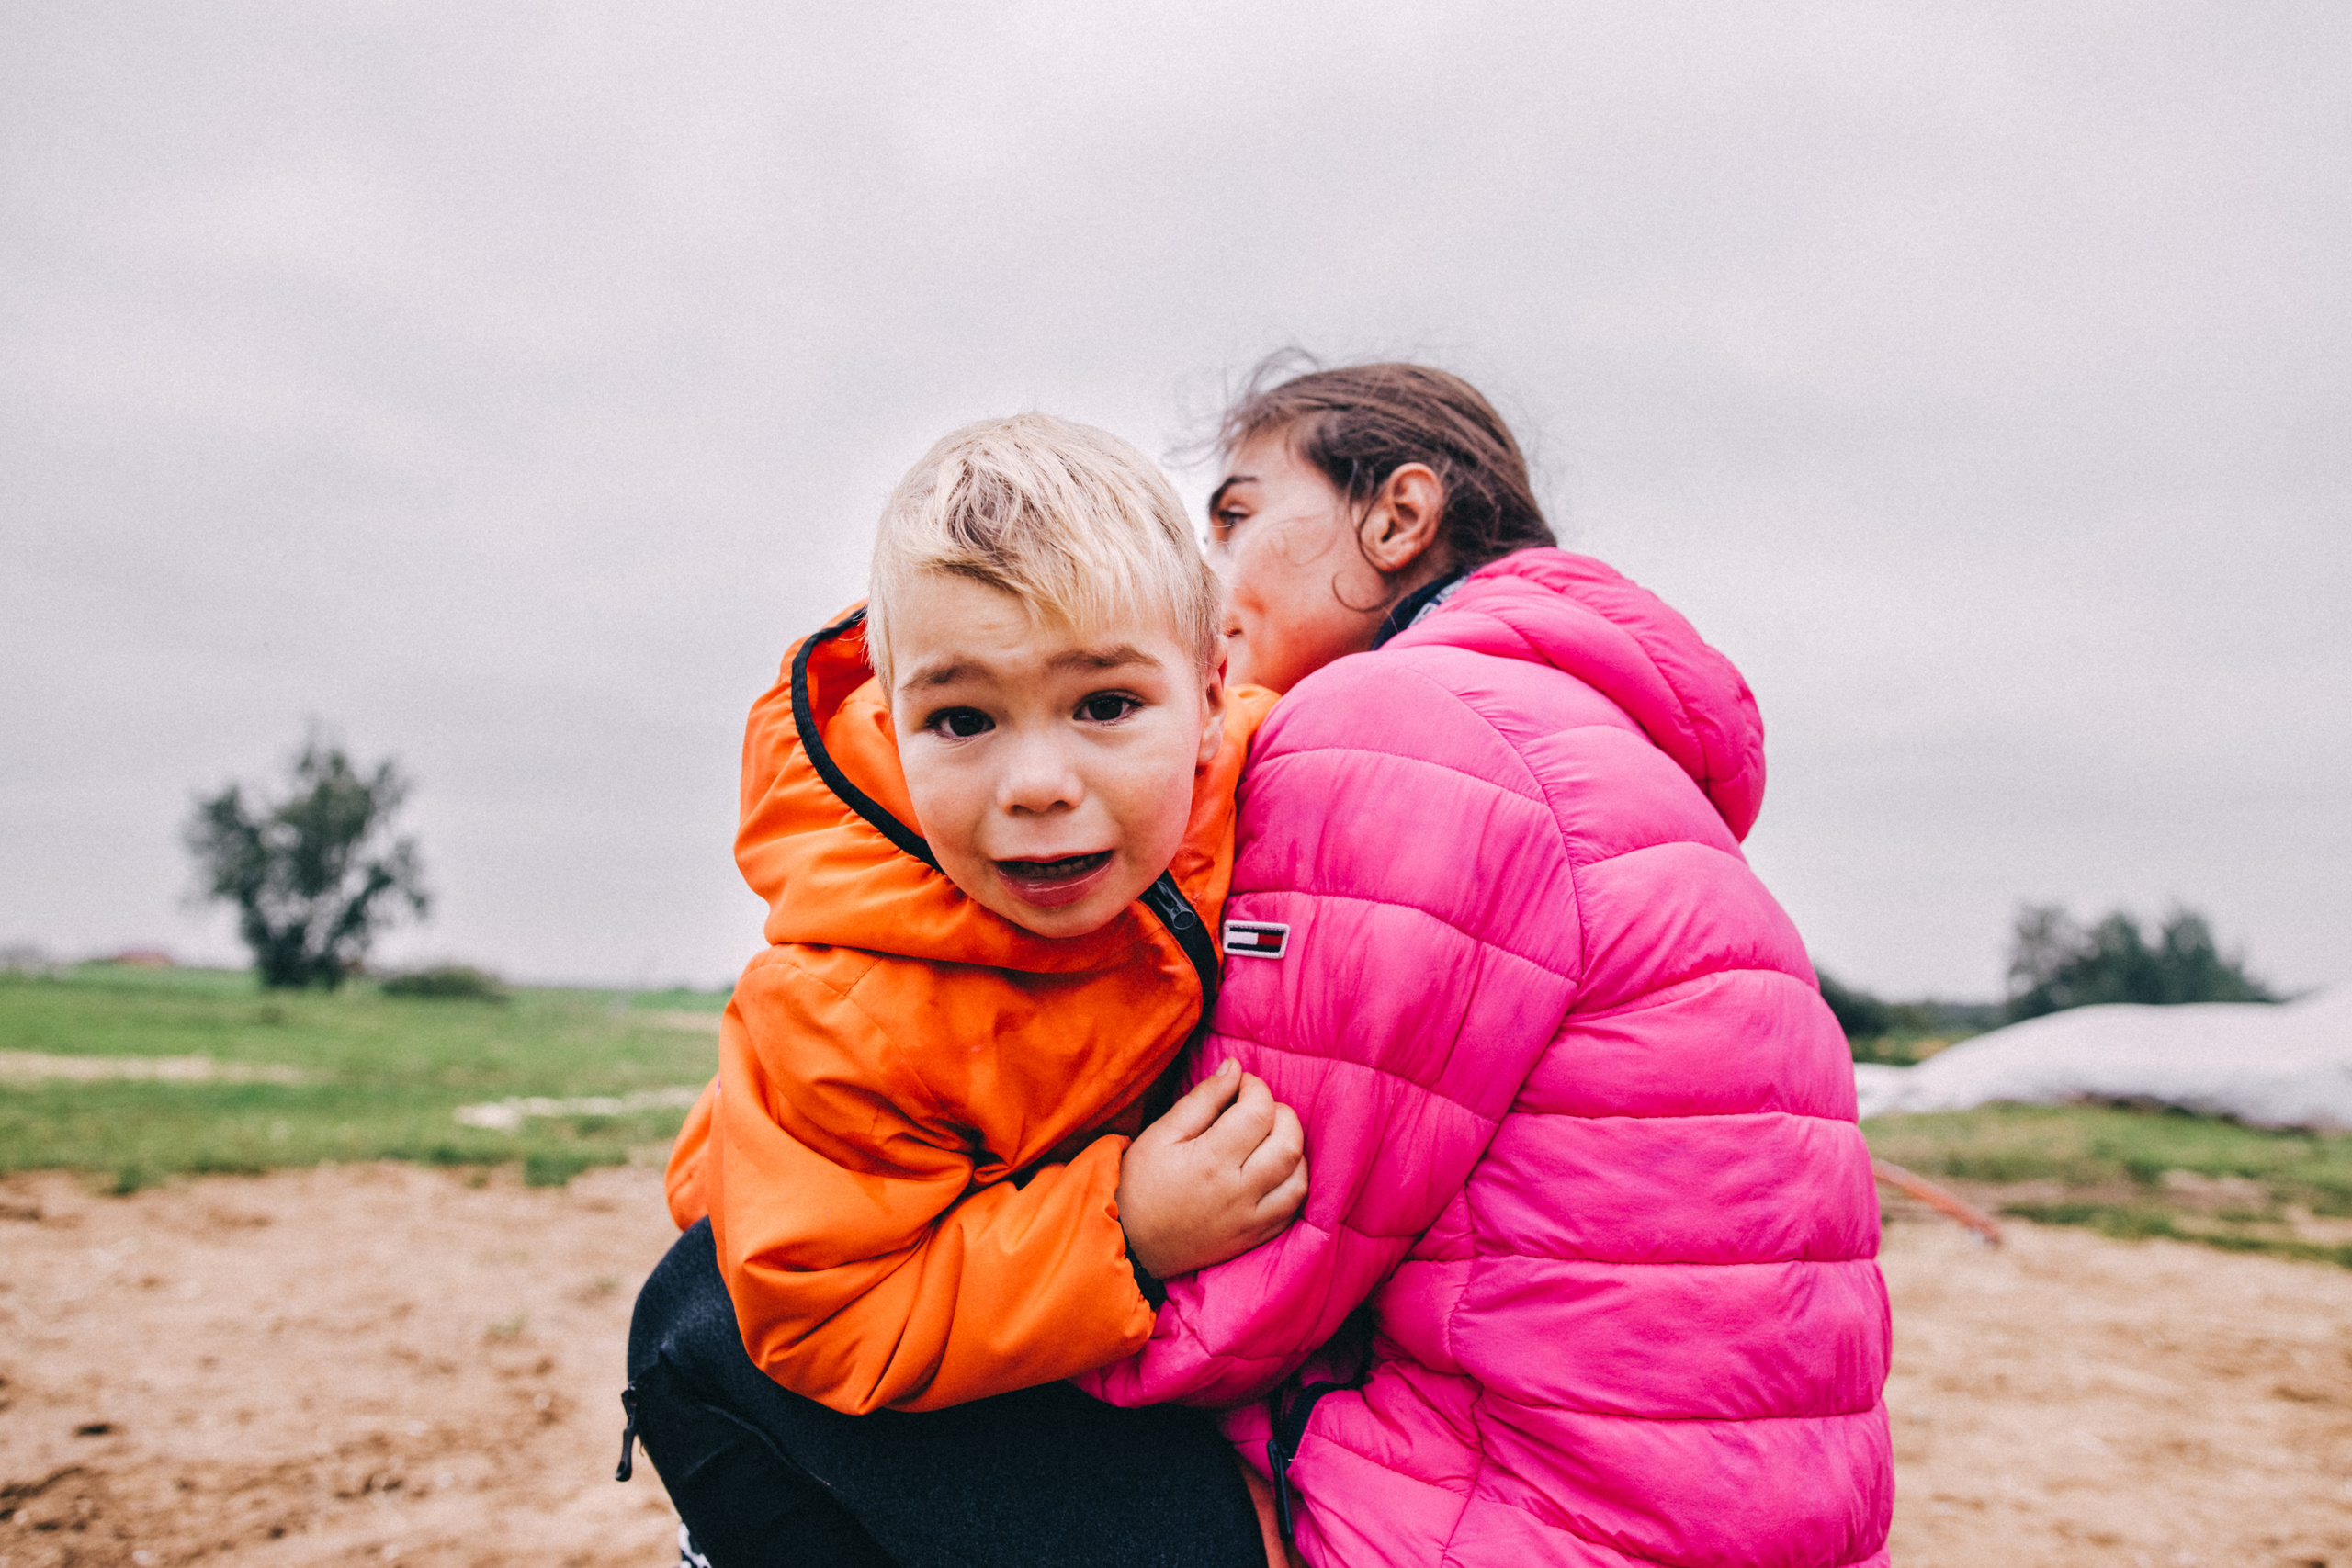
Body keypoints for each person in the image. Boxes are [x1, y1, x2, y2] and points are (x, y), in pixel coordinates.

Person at [1076, 359, 1895, 1567]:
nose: (1204, 572)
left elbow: (1245, 1291)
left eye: (1237, 515)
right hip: (1726, 1525)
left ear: (1399, 516)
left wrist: (998, 1276)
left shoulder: (1395, 725)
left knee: (729, 1327)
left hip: (1504, 1522)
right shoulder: (1609, 750)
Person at [623, 413, 1303, 1568]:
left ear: (1209, 694)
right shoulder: (847, 1010)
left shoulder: (1274, 770)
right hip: (849, 1305)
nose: (1037, 783)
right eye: (962, 720)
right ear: (892, 725)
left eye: (1104, 706)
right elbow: (825, 1312)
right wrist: (1123, 1230)